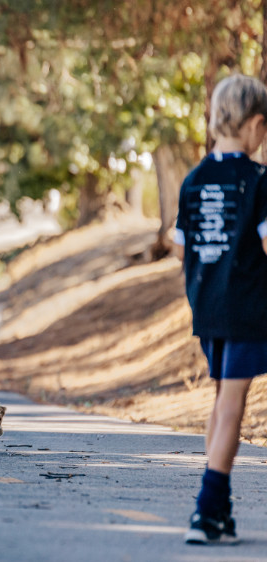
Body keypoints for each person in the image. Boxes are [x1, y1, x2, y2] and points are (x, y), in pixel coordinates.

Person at [174, 74, 267, 545]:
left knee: (220, 402)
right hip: (248, 309)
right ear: (254, 125)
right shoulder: (258, 181)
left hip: (207, 308)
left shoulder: (193, 180)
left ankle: (222, 511)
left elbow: (180, 248)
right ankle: (207, 510)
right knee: (232, 406)